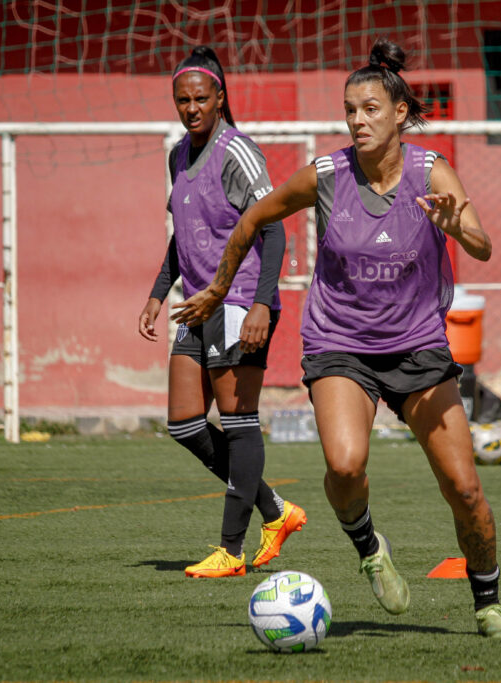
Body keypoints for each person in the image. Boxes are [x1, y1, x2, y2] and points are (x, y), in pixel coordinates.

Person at [174, 38, 501, 637]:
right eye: (350, 111)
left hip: (417, 345)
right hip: (340, 343)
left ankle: (488, 603)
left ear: (401, 114)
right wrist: (217, 287)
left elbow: (484, 245)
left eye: (371, 110)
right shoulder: (327, 174)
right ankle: (369, 548)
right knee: (345, 465)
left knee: (464, 489)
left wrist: (454, 224)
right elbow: (256, 217)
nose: (358, 121)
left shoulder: (430, 170)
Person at [138, 46, 305, 578]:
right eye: (182, 100)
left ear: (219, 99)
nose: (191, 108)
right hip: (197, 301)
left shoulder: (239, 152)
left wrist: (260, 303)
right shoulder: (177, 155)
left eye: (200, 99)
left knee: (237, 421)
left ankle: (231, 550)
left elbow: (273, 227)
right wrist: (157, 293)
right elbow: (181, 238)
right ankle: (276, 511)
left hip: (239, 300)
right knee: (185, 424)